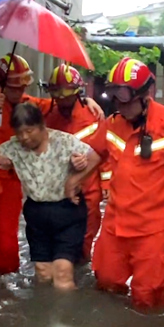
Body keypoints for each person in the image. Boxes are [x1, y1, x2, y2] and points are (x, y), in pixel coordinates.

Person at [0, 54, 105, 275]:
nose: (19, 92)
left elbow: (60, 103)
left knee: (7, 248)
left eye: (22, 87)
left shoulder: (30, 106)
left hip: (11, 180)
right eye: (14, 87)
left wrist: (86, 99)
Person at [91, 57, 164, 313]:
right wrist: (73, 178)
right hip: (116, 221)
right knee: (106, 280)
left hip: (153, 226)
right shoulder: (113, 124)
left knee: (148, 295)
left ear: (145, 94)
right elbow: (94, 154)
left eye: (126, 98)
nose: (121, 105)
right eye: (115, 97)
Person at [0, 103, 101, 289]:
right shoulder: (15, 146)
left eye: (29, 131)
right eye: (20, 132)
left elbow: (95, 157)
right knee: (42, 271)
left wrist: (74, 179)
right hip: (37, 213)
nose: (24, 137)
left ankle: (66, 317)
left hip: (67, 210)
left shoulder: (64, 141)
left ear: (41, 125)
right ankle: (44, 313)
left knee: (62, 271)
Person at [42, 64, 107, 262]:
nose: (61, 98)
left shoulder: (94, 115)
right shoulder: (46, 114)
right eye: (56, 92)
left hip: (88, 190)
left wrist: (107, 184)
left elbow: (105, 153)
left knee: (84, 242)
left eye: (66, 92)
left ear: (78, 91)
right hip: (58, 191)